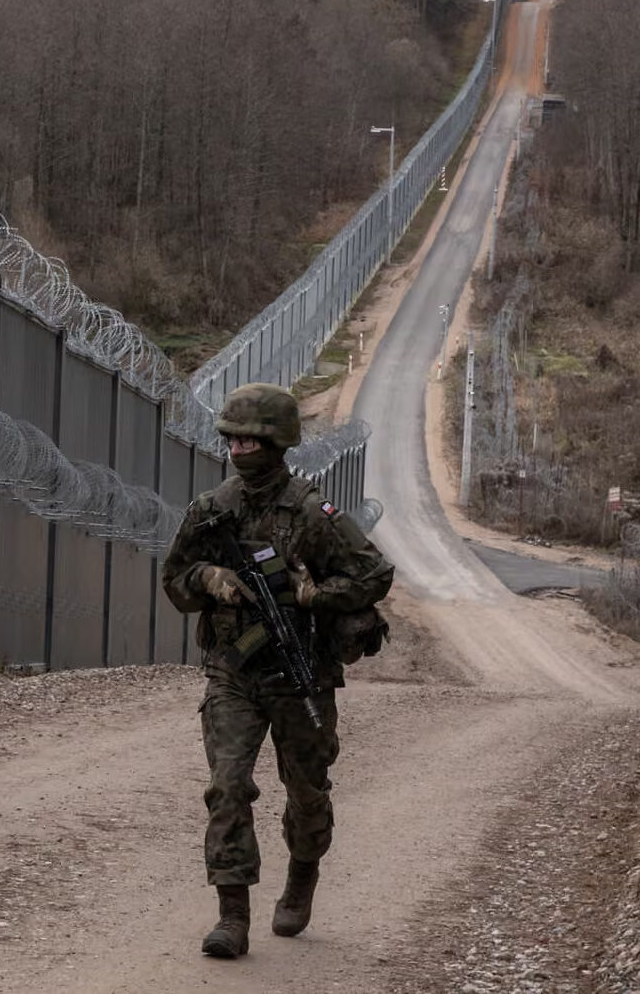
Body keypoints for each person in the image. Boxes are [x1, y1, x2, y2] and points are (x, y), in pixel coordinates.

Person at [162, 382, 394, 959]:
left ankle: (302, 872)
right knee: (227, 786)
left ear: (277, 442)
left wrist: (315, 596)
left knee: (307, 791)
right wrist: (209, 578)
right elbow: (176, 581)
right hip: (233, 671)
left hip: (301, 674)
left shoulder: (312, 513)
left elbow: (373, 574)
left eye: (251, 439)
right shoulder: (213, 509)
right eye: (233, 439)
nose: (239, 448)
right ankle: (232, 915)